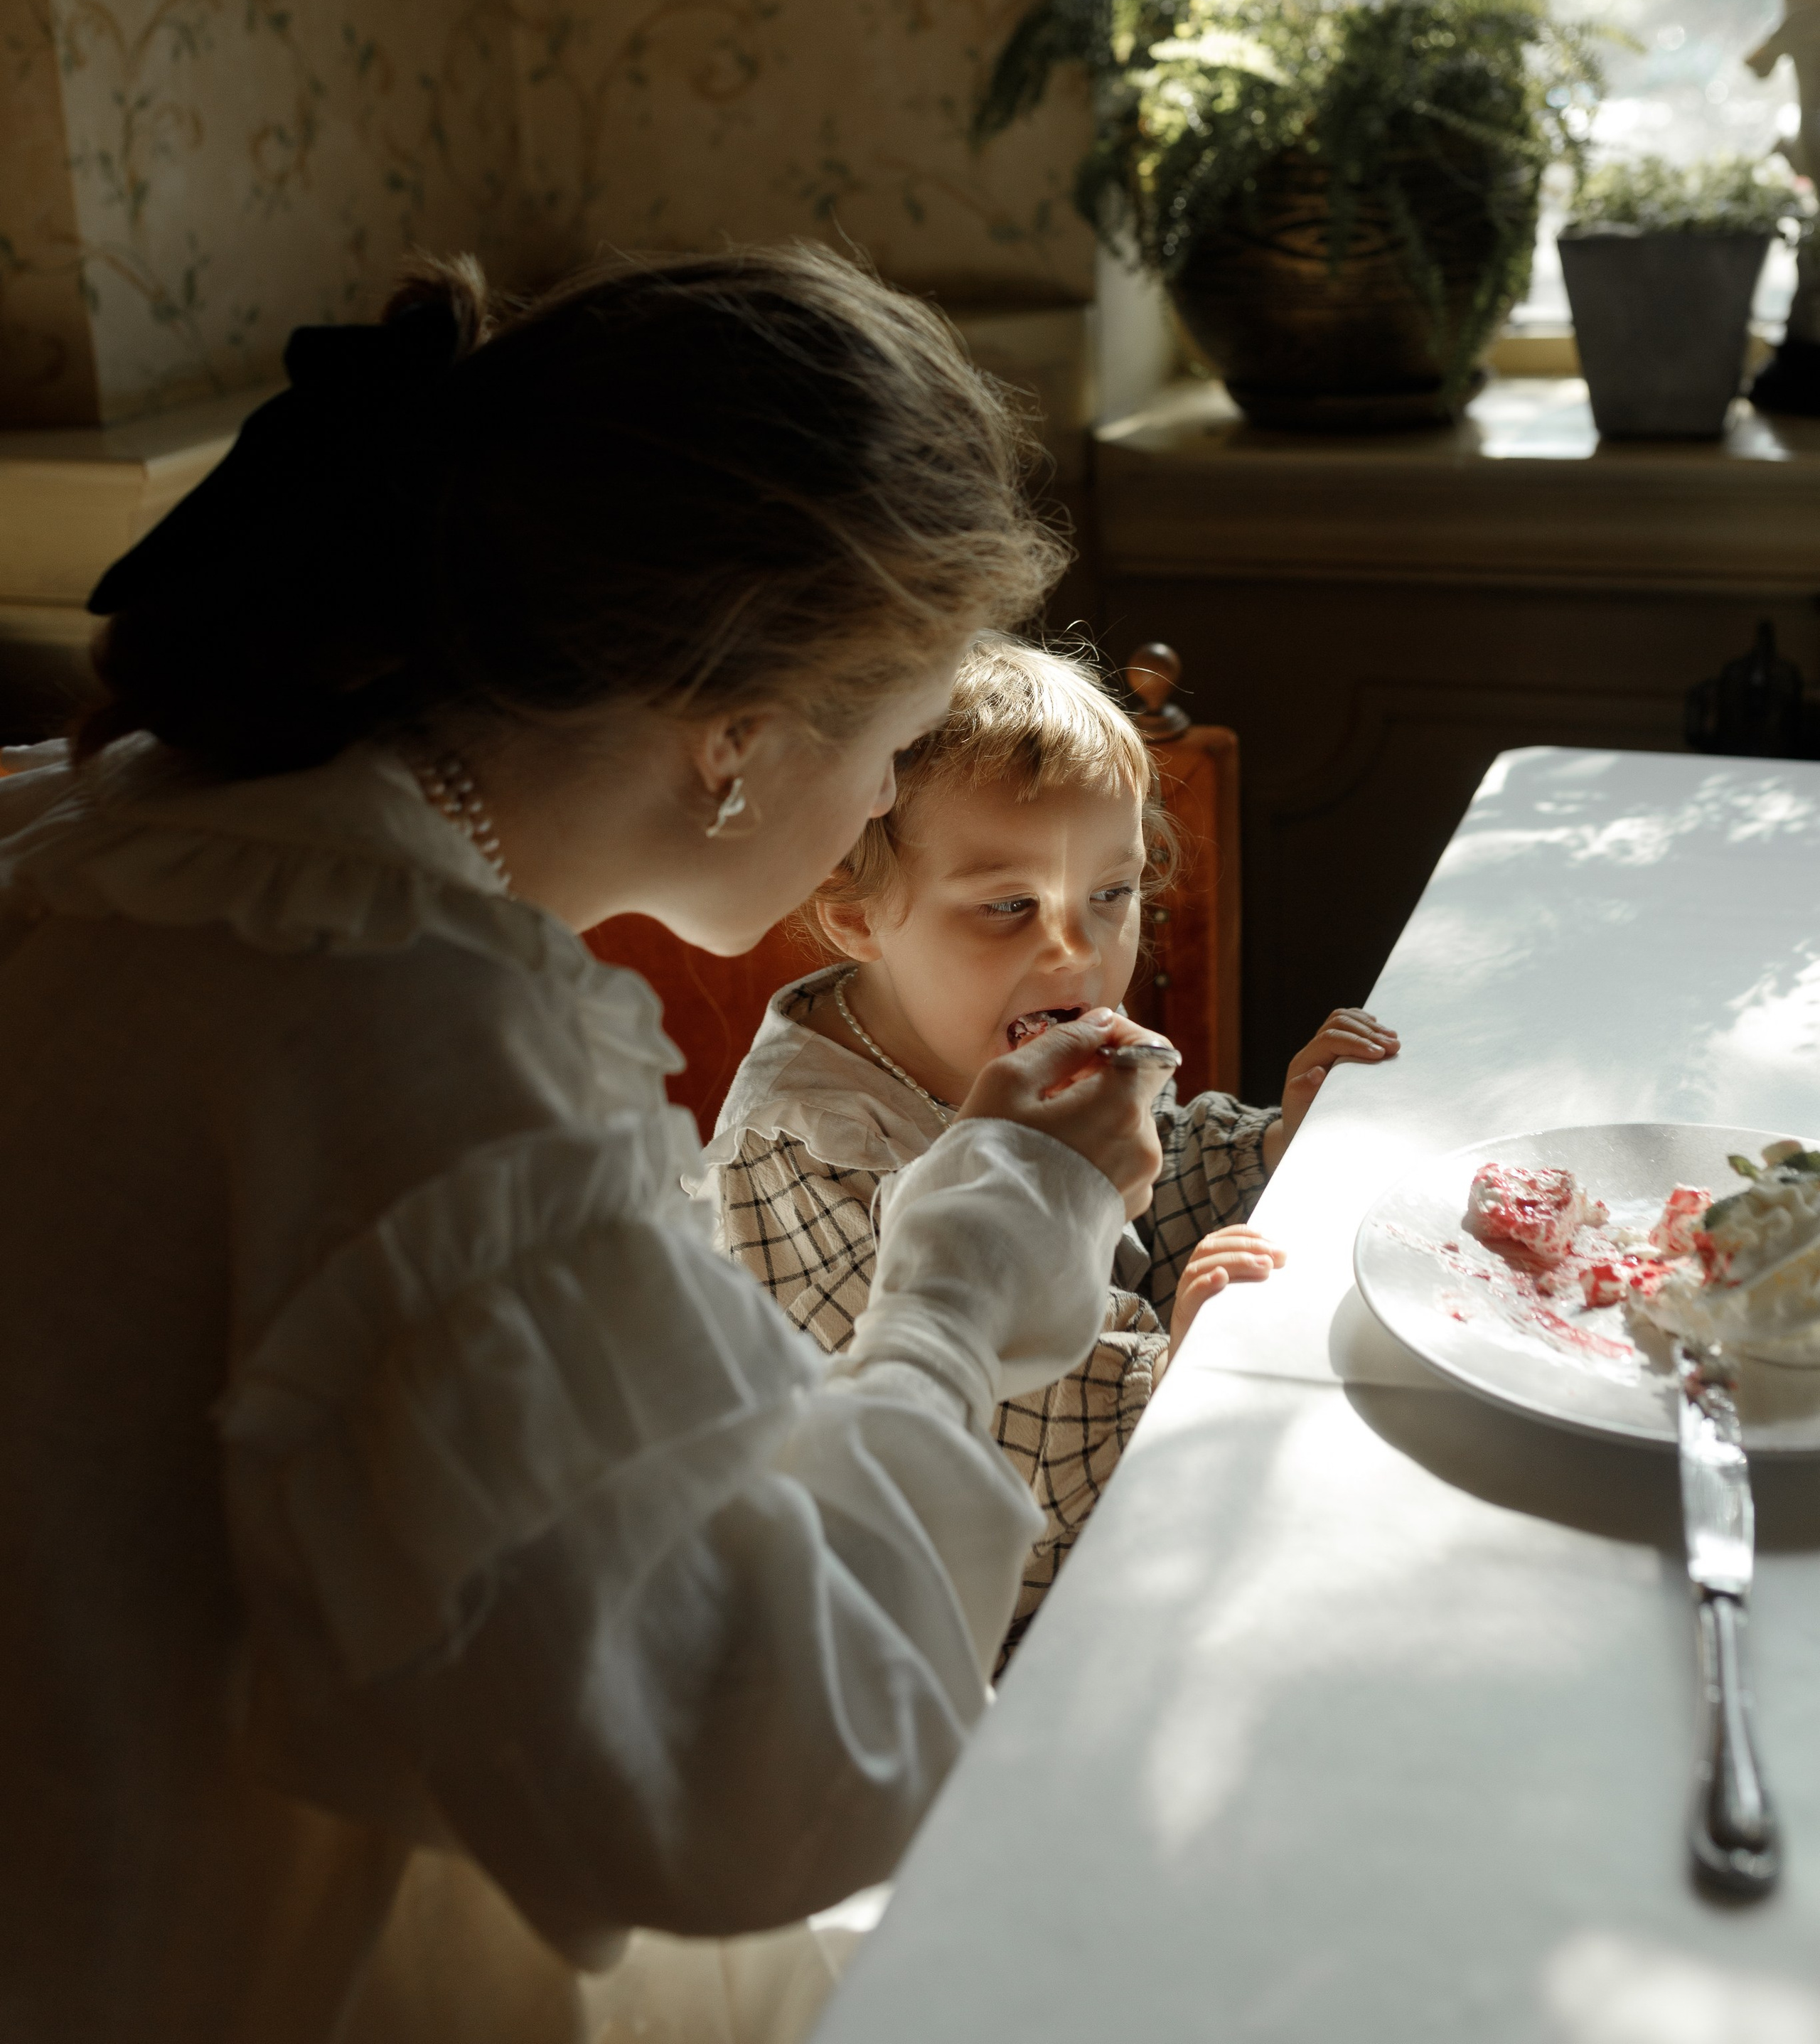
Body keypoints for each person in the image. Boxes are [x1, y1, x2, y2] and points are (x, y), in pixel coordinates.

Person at [0, 249, 1172, 2044]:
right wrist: (962, 1289)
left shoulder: (121, 839)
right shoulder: (429, 1053)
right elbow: (749, 1771)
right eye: (889, 741)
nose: (877, 802)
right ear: (736, 742)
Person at [707, 638, 1401, 1650]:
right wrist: (1170, 1380)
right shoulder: (811, 1151)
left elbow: (1153, 1174)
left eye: (1110, 896)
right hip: (967, 1633)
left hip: (1143, 1535)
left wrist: (1270, 1150)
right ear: (859, 914)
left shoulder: (1032, 1032)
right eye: (1008, 906)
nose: (1075, 949)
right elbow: (991, 1467)